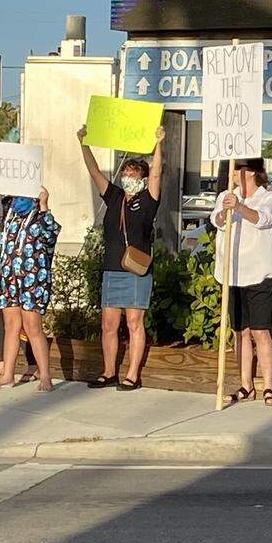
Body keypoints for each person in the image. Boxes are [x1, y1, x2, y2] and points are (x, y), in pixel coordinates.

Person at [79, 125, 164, 391]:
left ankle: (132, 374)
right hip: (112, 269)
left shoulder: (148, 199)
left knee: (134, 322)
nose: (127, 176)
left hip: (136, 270)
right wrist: (84, 143)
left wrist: (158, 144)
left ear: (142, 178)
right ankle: (108, 372)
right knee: (108, 323)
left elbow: (157, 173)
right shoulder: (115, 196)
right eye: (125, 172)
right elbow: (94, 172)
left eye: (134, 173)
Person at [212, 158, 272, 407]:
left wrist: (241, 207)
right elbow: (217, 222)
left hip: (259, 274)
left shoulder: (270, 198)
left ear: (249, 173)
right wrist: (226, 210)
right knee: (239, 332)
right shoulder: (225, 195)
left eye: (236, 170)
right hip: (232, 274)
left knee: (259, 331)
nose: (231, 174)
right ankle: (246, 385)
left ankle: (269, 386)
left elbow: (264, 219)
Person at [0, 191, 60, 391]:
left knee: (33, 326)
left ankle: (45, 376)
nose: (17, 201)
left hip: (32, 280)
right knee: (10, 325)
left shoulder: (39, 220)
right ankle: (8, 374)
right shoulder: (8, 220)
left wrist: (44, 204)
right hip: (9, 279)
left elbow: (51, 233)